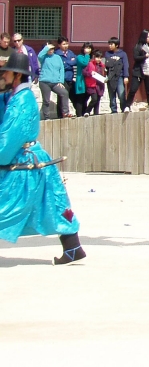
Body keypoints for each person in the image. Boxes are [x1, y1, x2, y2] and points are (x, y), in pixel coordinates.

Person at [0, 52, 86, 265]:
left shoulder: (22, 100)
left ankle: (73, 247)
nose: (3, 76)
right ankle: (73, 247)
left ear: (16, 75)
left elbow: (10, 136)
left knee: (7, 205)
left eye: (6, 72)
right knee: (54, 202)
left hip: (23, 161)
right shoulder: (16, 96)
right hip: (30, 158)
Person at [37, 37, 70, 120]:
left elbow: (61, 69)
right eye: (48, 49)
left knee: (64, 93)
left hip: (55, 82)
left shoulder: (57, 57)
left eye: (52, 48)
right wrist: (46, 48)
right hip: (44, 82)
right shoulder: (43, 57)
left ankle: (66, 113)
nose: (50, 50)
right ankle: (46, 117)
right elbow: (39, 56)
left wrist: (60, 81)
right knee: (46, 100)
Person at [128, 30, 149, 110]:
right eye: (147, 36)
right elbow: (136, 57)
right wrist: (144, 56)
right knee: (133, 89)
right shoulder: (138, 46)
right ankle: (127, 105)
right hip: (139, 71)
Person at [104, 37, 130, 113]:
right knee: (112, 95)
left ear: (116, 45)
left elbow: (125, 65)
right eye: (109, 44)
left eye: (111, 44)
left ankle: (123, 108)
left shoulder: (123, 54)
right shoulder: (107, 53)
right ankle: (114, 110)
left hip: (120, 76)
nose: (109, 46)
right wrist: (116, 61)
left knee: (121, 94)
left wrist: (126, 76)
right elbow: (108, 64)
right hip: (110, 76)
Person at [71, 43, 93, 117]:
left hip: (90, 81)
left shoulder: (92, 57)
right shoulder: (79, 57)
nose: (88, 49)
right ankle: (79, 115)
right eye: (86, 48)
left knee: (86, 98)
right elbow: (84, 63)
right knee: (80, 99)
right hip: (81, 80)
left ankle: (85, 112)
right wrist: (87, 55)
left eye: (89, 48)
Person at [84, 49, 106, 115]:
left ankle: (96, 114)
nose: (98, 59)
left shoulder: (102, 65)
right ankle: (87, 111)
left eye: (100, 58)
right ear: (94, 57)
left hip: (99, 85)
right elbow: (84, 72)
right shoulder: (90, 64)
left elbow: (104, 74)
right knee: (94, 99)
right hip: (92, 85)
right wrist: (90, 73)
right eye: (97, 57)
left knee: (98, 101)